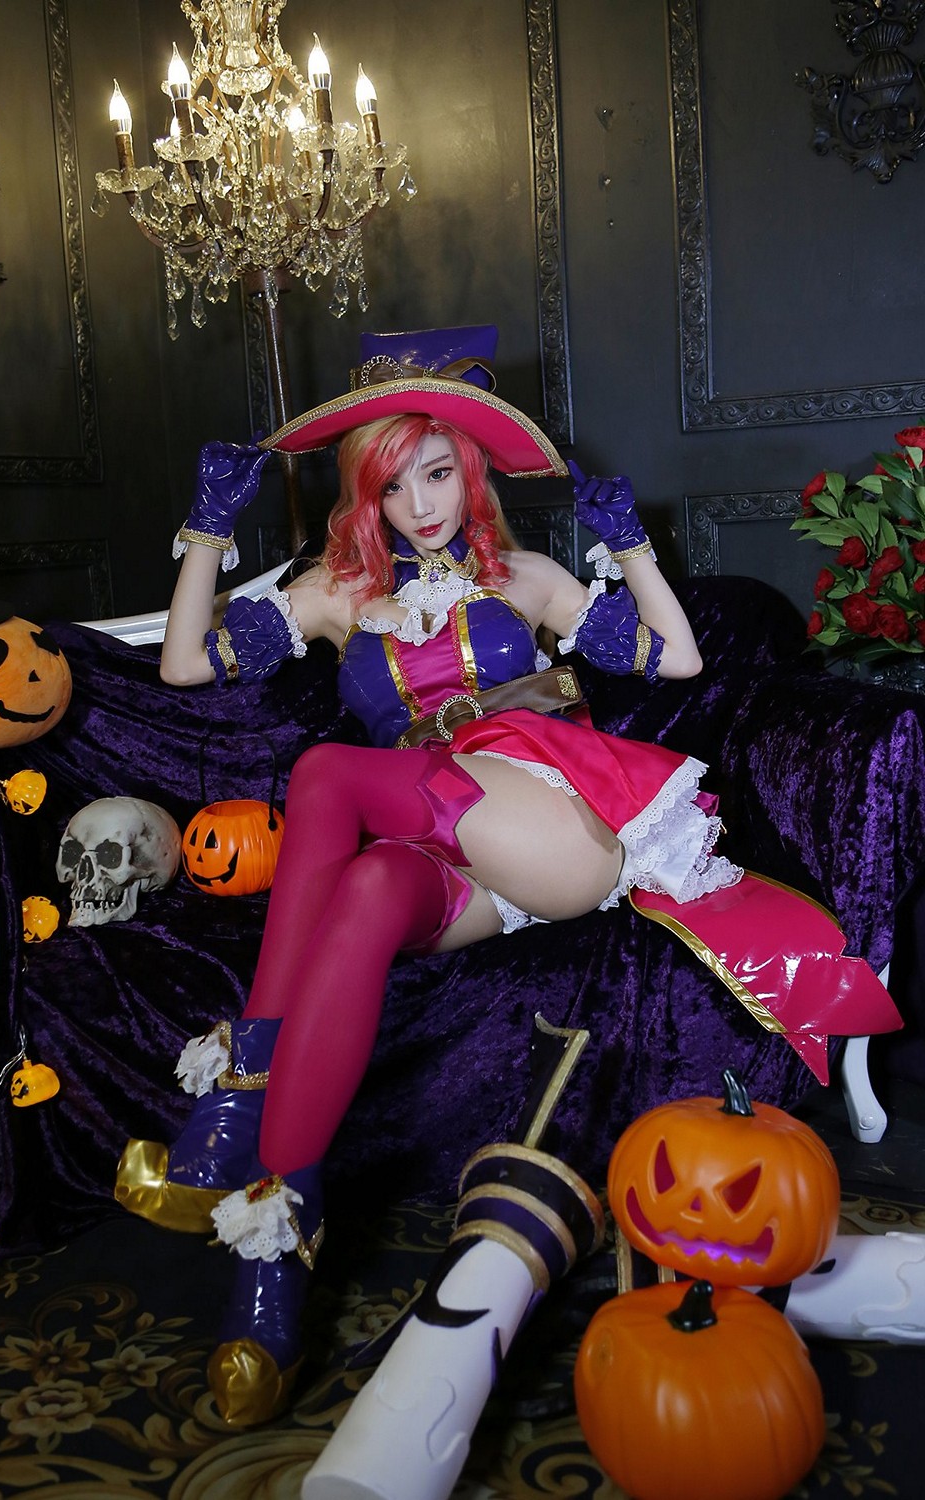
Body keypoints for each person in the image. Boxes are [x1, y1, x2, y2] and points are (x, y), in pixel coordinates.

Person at [115, 326, 900, 1427]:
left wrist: (630, 546)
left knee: (328, 772)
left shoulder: (520, 578)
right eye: (395, 485)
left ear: (470, 473)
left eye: (438, 474)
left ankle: (241, 1098)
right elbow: (184, 663)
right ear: (368, 496)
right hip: (452, 869)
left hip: (548, 829)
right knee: (368, 891)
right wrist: (207, 529)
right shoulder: (339, 593)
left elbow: (674, 658)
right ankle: (275, 1247)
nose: (420, 504)